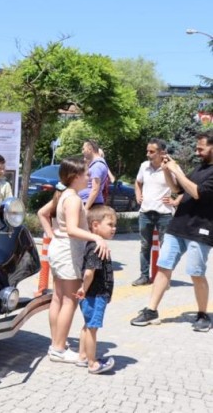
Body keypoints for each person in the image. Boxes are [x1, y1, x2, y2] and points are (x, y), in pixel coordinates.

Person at [130, 131, 213, 332]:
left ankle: (202, 315)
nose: (197, 152)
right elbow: (178, 190)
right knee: (164, 267)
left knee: (195, 272)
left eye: (201, 148)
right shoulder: (199, 168)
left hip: (200, 230)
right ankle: (151, 310)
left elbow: (196, 192)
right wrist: (168, 170)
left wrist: (178, 170)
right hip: (178, 226)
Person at [37, 156, 109, 364]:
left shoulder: (63, 194)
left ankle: (56, 343)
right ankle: (58, 348)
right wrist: (96, 237)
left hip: (58, 251)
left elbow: (42, 213)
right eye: (86, 174)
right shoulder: (74, 198)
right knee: (69, 300)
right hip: (68, 253)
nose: (89, 177)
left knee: (58, 299)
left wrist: (51, 235)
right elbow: (72, 229)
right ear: (75, 176)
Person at [75, 205, 117, 375]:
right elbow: (89, 272)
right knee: (92, 328)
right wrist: (84, 288)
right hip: (95, 295)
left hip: (92, 295)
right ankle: (93, 363)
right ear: (95, 225)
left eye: (115, 225)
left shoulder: (93, 244)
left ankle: (83, 357)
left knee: (87, 326)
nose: (114, 228)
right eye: (110, 224)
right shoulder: (96, 247)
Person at [132, 138, 177, 286]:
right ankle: (144, 276)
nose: (148, 154)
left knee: (166, 248)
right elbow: (138, 182)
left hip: (164, 214)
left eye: (152, 151)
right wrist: (138, 195)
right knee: (145, 246)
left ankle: (164, 280)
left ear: (162, 152)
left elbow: (182, 187)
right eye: (147, 151)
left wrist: (175, 201)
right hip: (145, 213)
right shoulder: (144, 166)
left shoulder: (171, 167)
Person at [80, 140, 110, 210]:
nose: (82, 152)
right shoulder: (95, 164)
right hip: (90, 203)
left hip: (91, 204)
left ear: (90, 149)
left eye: (83, 149)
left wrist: (85, 209)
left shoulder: (97, 166)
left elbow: (95, 189)